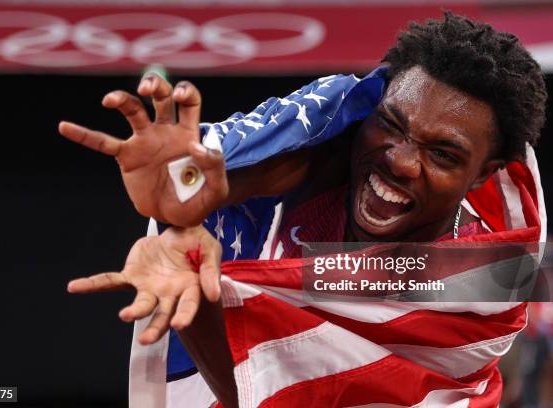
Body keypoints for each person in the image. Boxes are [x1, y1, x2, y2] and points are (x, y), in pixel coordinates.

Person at [59, 12, 548, 408]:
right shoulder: (324, 158)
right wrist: (179, 192)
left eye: (443, 154)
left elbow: (284, 394)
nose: (399, 160)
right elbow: (244, 169)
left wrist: (194, 298)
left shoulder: (489, 282)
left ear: (484, 175)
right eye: (391, 124)